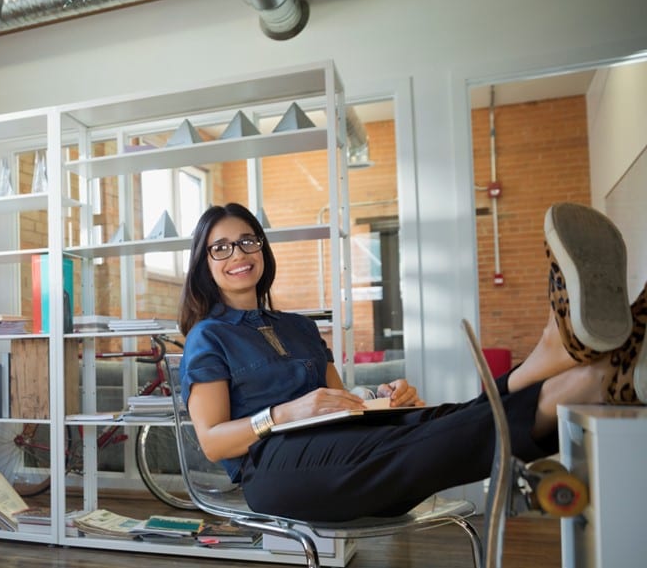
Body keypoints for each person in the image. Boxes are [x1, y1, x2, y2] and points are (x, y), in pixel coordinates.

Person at [178, 202, 645, 522]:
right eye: (221, 247)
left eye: (248, 241)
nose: (238, 254)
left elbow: (342, 400)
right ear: (205, 262)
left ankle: (583, 371)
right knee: (432, 438)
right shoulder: (208, 338)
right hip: (275, 470)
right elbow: (215, 443)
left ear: (262, 249)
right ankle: (584, 372)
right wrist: (282, 414)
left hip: (348, 450)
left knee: (443, 418)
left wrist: (379, 398)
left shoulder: (300, 327)